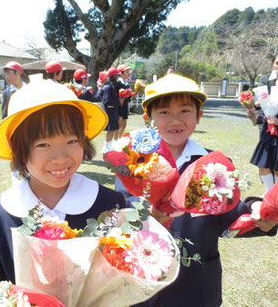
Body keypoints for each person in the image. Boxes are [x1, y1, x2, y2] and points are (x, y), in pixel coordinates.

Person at [115, 74, 278, 307]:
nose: (175, 120)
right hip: (142, 278)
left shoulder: (214, 165)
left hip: (194, 283)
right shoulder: (133, 163)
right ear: (148, 118)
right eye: (163, 112)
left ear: (199, 116)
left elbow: (228, 214)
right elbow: (122, 205)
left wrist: (257, 211)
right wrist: (144, 213)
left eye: (185, 111)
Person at [0, 80, 126, 306]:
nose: (60, 157)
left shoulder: (109, 203)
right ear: (15, 147)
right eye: (43, 145)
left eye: (72, 141)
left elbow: (128, 279)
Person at [248, 53, 278, 192]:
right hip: (268, 129)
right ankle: (269, 195)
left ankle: (275, 199)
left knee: (277, 169)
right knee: (263, 165)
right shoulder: (266, 80)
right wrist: (255, 110)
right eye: (277, 63)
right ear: (273, 63)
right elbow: (260, 104)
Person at [101, 67, 121, 152]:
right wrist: (118, 100)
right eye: (117, 75)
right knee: (111, 129)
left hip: (112, 110)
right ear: (113, 76)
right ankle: (106, 146)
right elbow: (106, 101)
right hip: (109, 111)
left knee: (113, 129)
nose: (118, 77)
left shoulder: (111, 86)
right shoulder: (108, 87)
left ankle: (108, 145)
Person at [116, 64, 132, 139]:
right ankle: (115, 140)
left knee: (124, 124)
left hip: (125, 105)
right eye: (127, 71)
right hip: (119, 106)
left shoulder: (126, 84)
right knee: (119, 124)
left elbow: (128, 98)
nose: (129, 73)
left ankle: (119, 139)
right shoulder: (118, 83)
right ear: (121, 73)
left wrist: (131, 95)